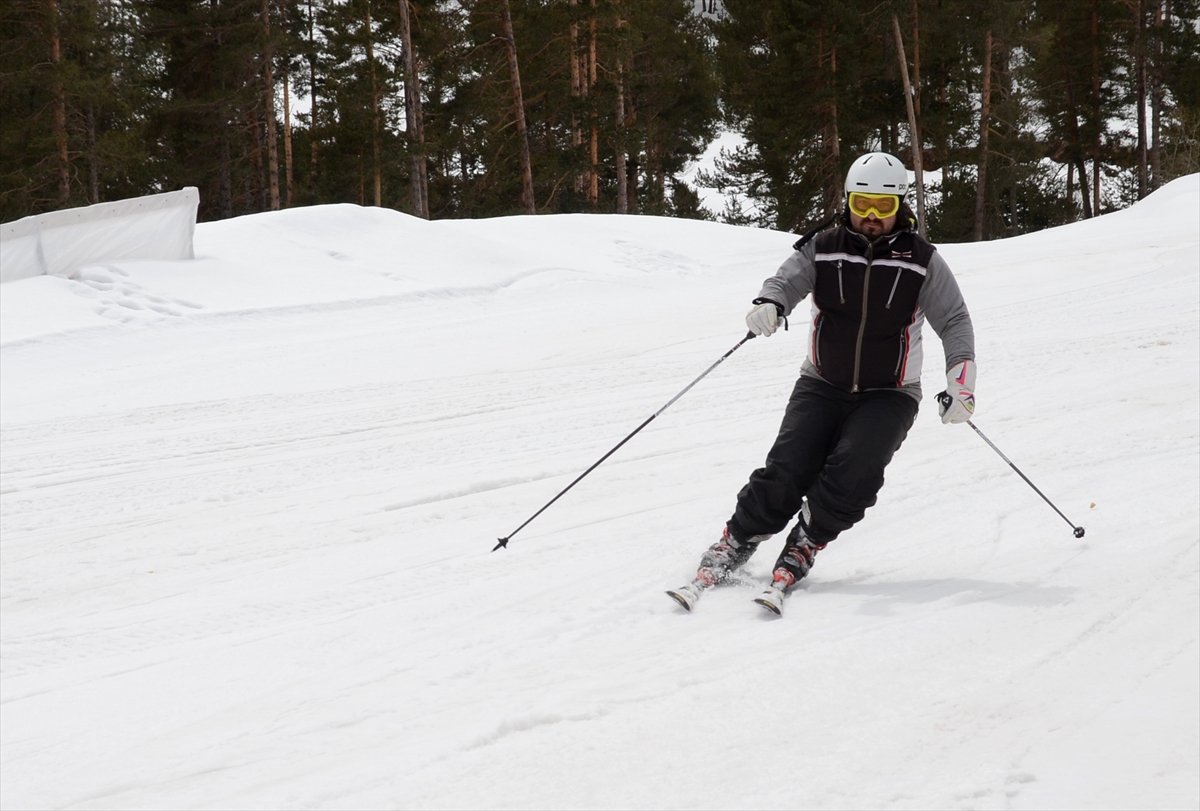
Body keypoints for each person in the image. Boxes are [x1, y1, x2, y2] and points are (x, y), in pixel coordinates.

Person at [668, 152, 977, 614]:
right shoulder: (823, 246)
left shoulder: (922, 261)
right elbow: (785, 281)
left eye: (883, 207)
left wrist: (961, 382)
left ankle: (807, 542)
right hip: (821, 383)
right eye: (862, 204)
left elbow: (954, 321)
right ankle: (737, 539)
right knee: (789, 466)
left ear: (901, 208)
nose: (871, 218)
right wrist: (770, 304)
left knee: (857, 468)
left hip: (890, 393)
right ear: (847, 200)